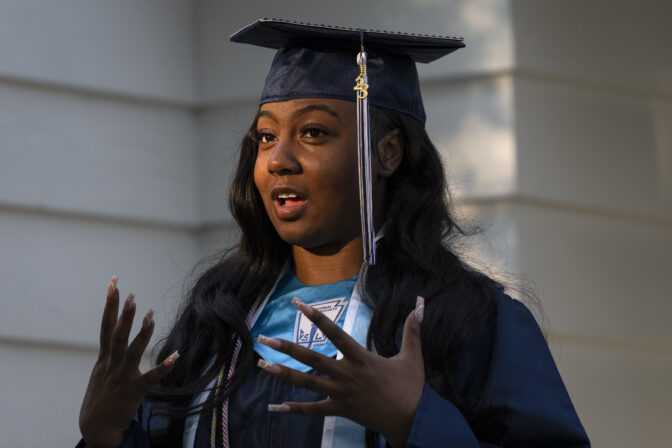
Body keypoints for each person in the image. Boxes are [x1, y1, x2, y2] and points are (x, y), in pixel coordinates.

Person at [77, 19, 590, 448]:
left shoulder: (471, 319)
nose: (279, 160)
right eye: (266, 136)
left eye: (313, 133)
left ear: (387, 153)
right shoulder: (220, 318)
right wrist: (108, 435)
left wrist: (416, 422)